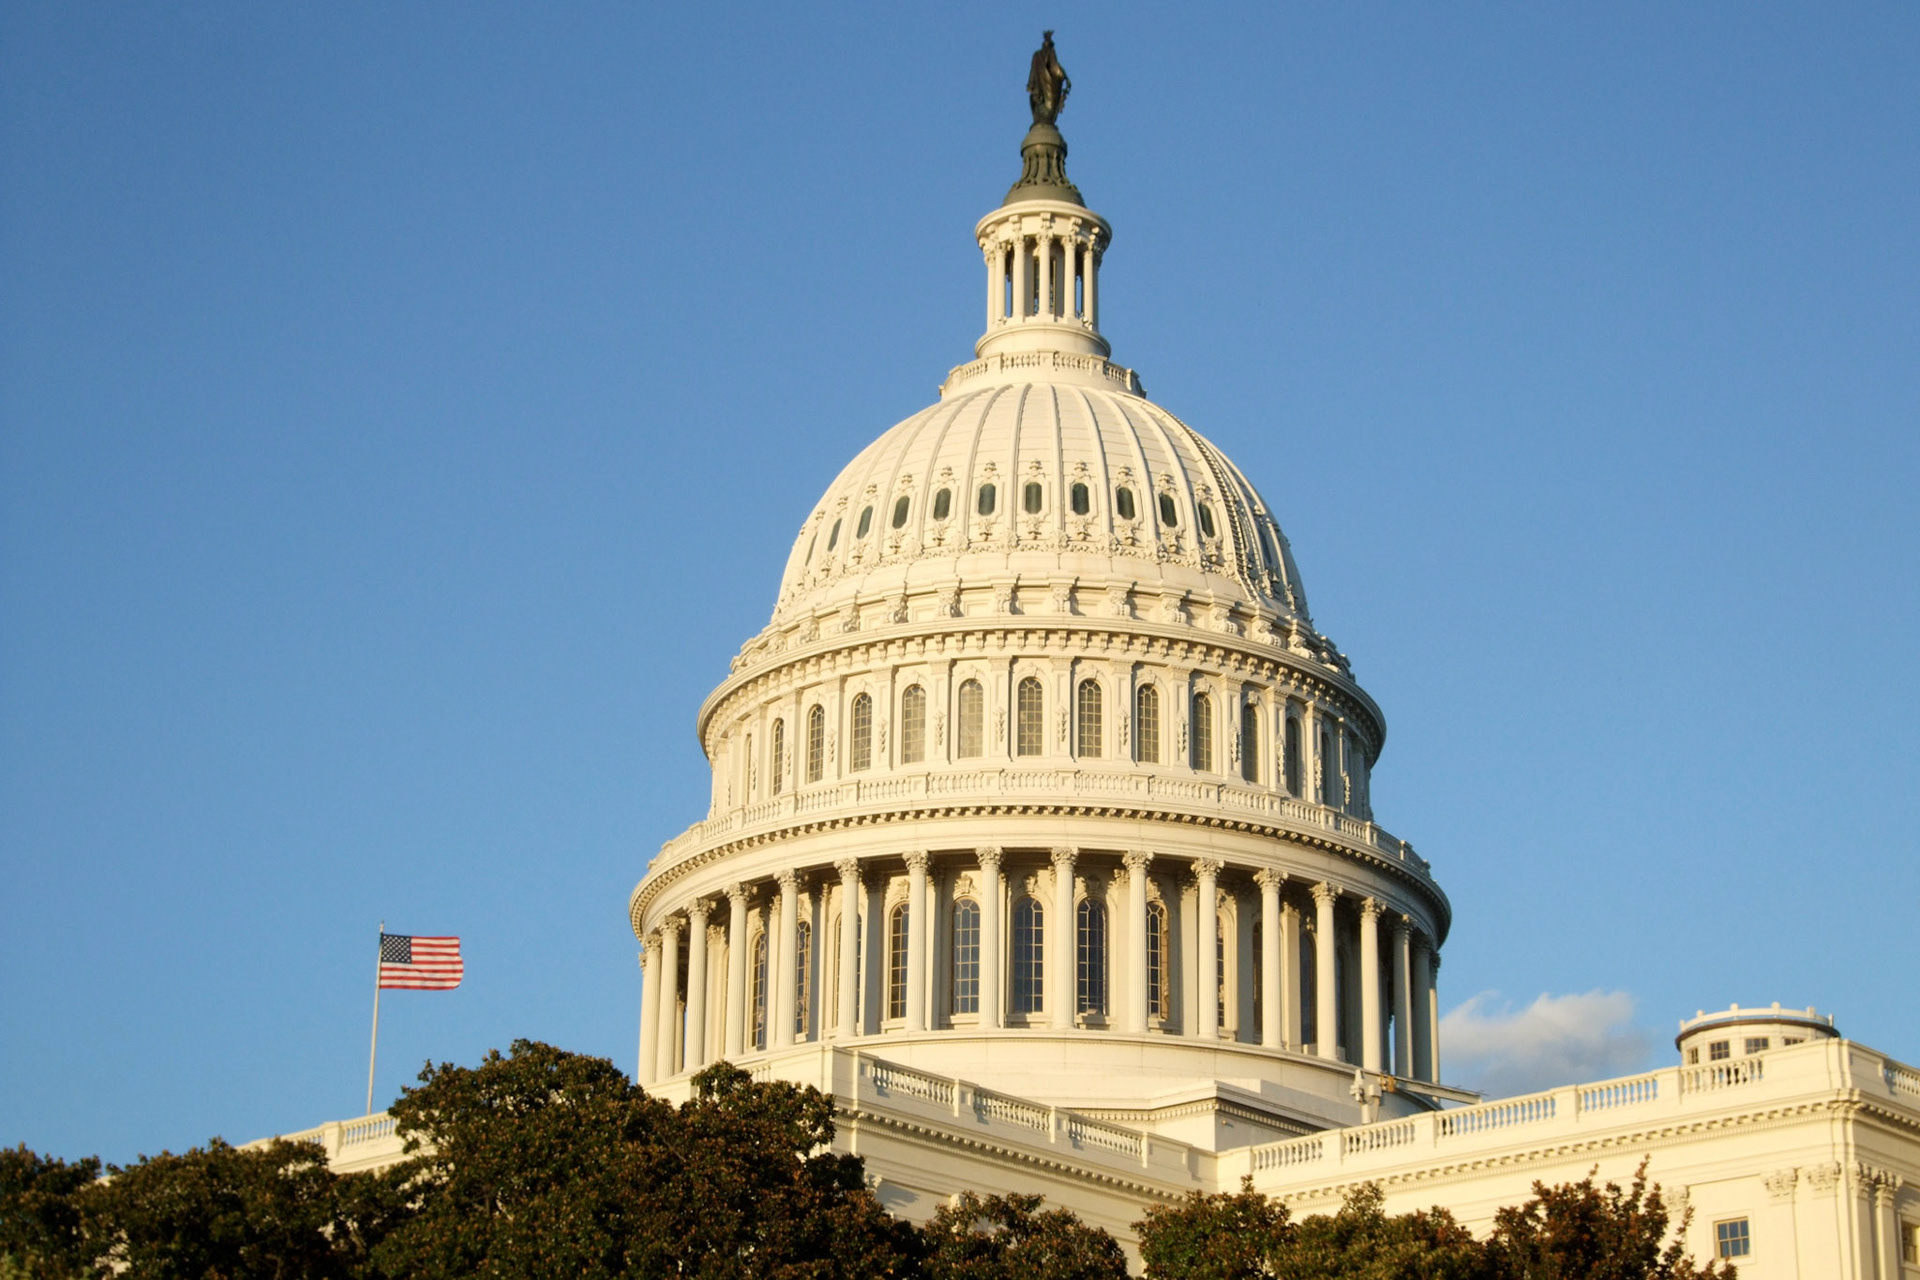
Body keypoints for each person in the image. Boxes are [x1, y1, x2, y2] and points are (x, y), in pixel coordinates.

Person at [1028, 31, 1071, 126]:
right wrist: (1064, 77)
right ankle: (1045, 117)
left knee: (1042, 104)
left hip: (1038, 86)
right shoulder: (1050, 53)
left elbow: (1033, 71)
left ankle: (1041, 117)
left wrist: (1031, 85)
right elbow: (1056, 70)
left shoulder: (1036, 55)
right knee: (1049, 107)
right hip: (1047, 85)